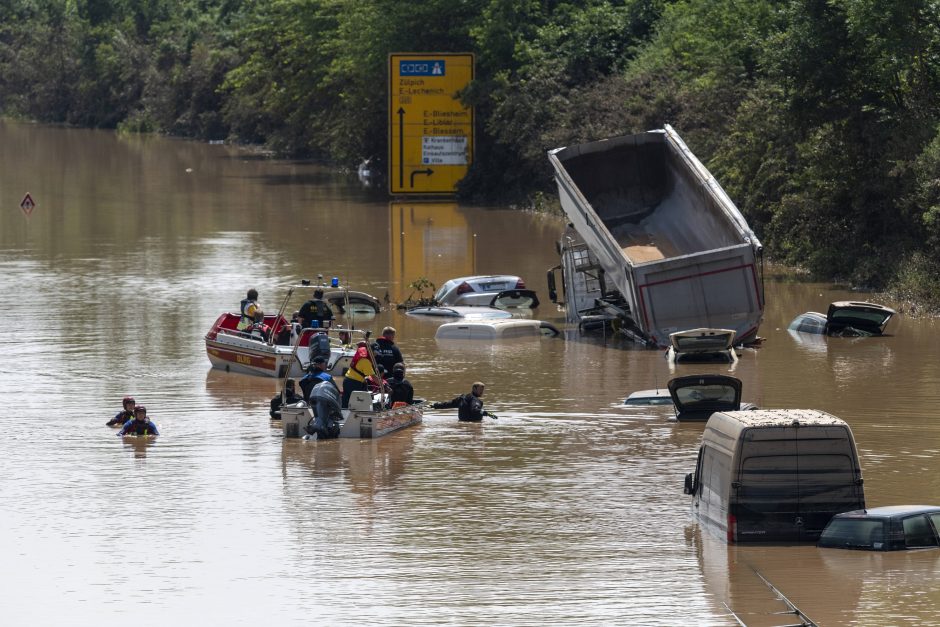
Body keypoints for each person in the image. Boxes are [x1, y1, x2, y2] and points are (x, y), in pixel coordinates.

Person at [432, 382, 497, 422]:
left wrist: (435, 405)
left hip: (462, 424)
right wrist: (487, 413)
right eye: (480, 389)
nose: (482, 392)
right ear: (474, 389)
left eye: (483, 390)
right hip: (473, 425)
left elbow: (449, 404)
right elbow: (475, 410)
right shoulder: (475, 399)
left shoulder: (462, 397)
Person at [341, 340, 375, 408]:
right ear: (370, 351)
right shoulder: (366, 361)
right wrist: (383, 385)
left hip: (347, 380)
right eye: (375, 353)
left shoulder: (360, 354)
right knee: (357, 403)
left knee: (346, 401)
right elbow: (373, 377)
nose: (375, 355)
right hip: (354, 383)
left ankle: (343, 414)